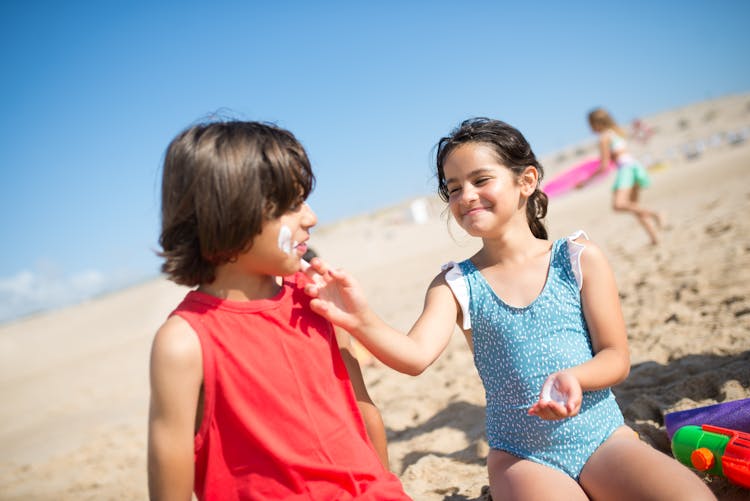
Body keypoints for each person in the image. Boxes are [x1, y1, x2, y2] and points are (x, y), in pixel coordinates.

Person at [303, 118, 716, 500]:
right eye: (453, 187)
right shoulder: (456, 283)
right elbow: (414, 358)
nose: (466, 196)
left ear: (527, 180)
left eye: (481, 179)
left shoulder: (576, 258)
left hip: (601, 436)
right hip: (522, 457)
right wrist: (360, 319)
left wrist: (574, 377)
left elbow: (616, 357)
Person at [147, 120, 410, 500]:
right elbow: (169, 470)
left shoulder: (316, 299)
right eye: (290, 205)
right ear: (228, 213)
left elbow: (362, 409)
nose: (311, 218)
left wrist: (387, 487)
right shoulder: (184, 343)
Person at [587, 108, 664, 245]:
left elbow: (604, 166)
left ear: (596, 123)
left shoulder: (604, 138)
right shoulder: (616, 133)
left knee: (619, 205)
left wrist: (586, 181)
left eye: (590, 124)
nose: (590, 127)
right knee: (634, 206)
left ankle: (656, 214)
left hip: (626, 170)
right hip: (635, 167)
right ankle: (654, 238)